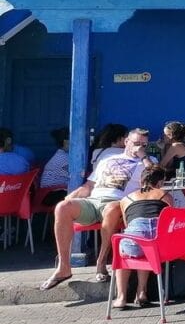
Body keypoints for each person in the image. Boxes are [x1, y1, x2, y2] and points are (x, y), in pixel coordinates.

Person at [40, 127, 152, 290]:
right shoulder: (108, 160)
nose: (139, 147)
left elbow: (154, 178)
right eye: (136, 143)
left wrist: (143, 156)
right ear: (126, 141)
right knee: (62, 207)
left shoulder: (148, 161)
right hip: (94, 201)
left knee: (112, 208)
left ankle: (101, 262)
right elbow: (89, 185)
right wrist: (71, 197)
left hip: (120, 203)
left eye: (144, 144)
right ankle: (64, 267)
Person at [111, 165, 172, 309]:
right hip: (158, 246)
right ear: (160, 182)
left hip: (135, 242)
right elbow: (169, 219)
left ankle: (121, 297)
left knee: (125, 252)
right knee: (147, 248)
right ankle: (142, 292)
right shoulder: (164, 195)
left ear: (141, 181)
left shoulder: (126, 199)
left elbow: (127, 224)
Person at [39, 126, 70, 202]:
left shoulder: (62, 155)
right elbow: (76, 176)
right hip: (51, 194)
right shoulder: (64, 158)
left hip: (50, 193)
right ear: (66, 142)